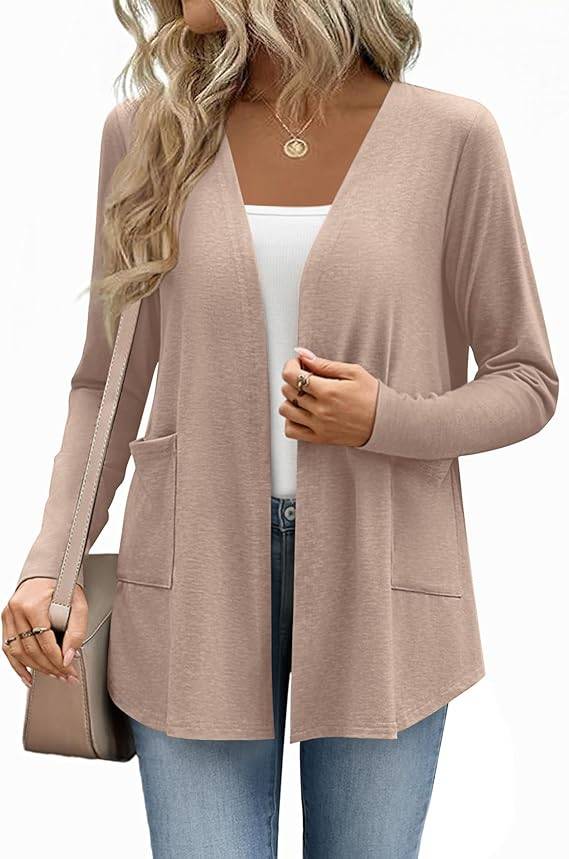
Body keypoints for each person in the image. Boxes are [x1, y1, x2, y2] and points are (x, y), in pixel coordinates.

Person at [2, 1, 558, 856]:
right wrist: (52, 560)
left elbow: (525, 378)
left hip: (384, 573)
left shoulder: (450, 137)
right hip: (191, 572)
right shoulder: (148, 134)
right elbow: (105, 381)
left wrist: (385, 418)